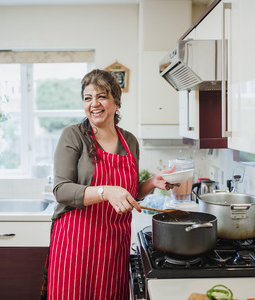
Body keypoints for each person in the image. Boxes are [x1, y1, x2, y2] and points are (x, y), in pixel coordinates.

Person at [44, 69, 177, 300]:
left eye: (101, 96)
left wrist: (151, 183)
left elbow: (128, 192)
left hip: (114, 244)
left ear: (116, 101)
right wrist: (105, 192)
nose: (94, 104)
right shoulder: (74, 135)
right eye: (88, 98)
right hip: (77, 243)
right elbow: (61, 190)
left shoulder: (130, 141)